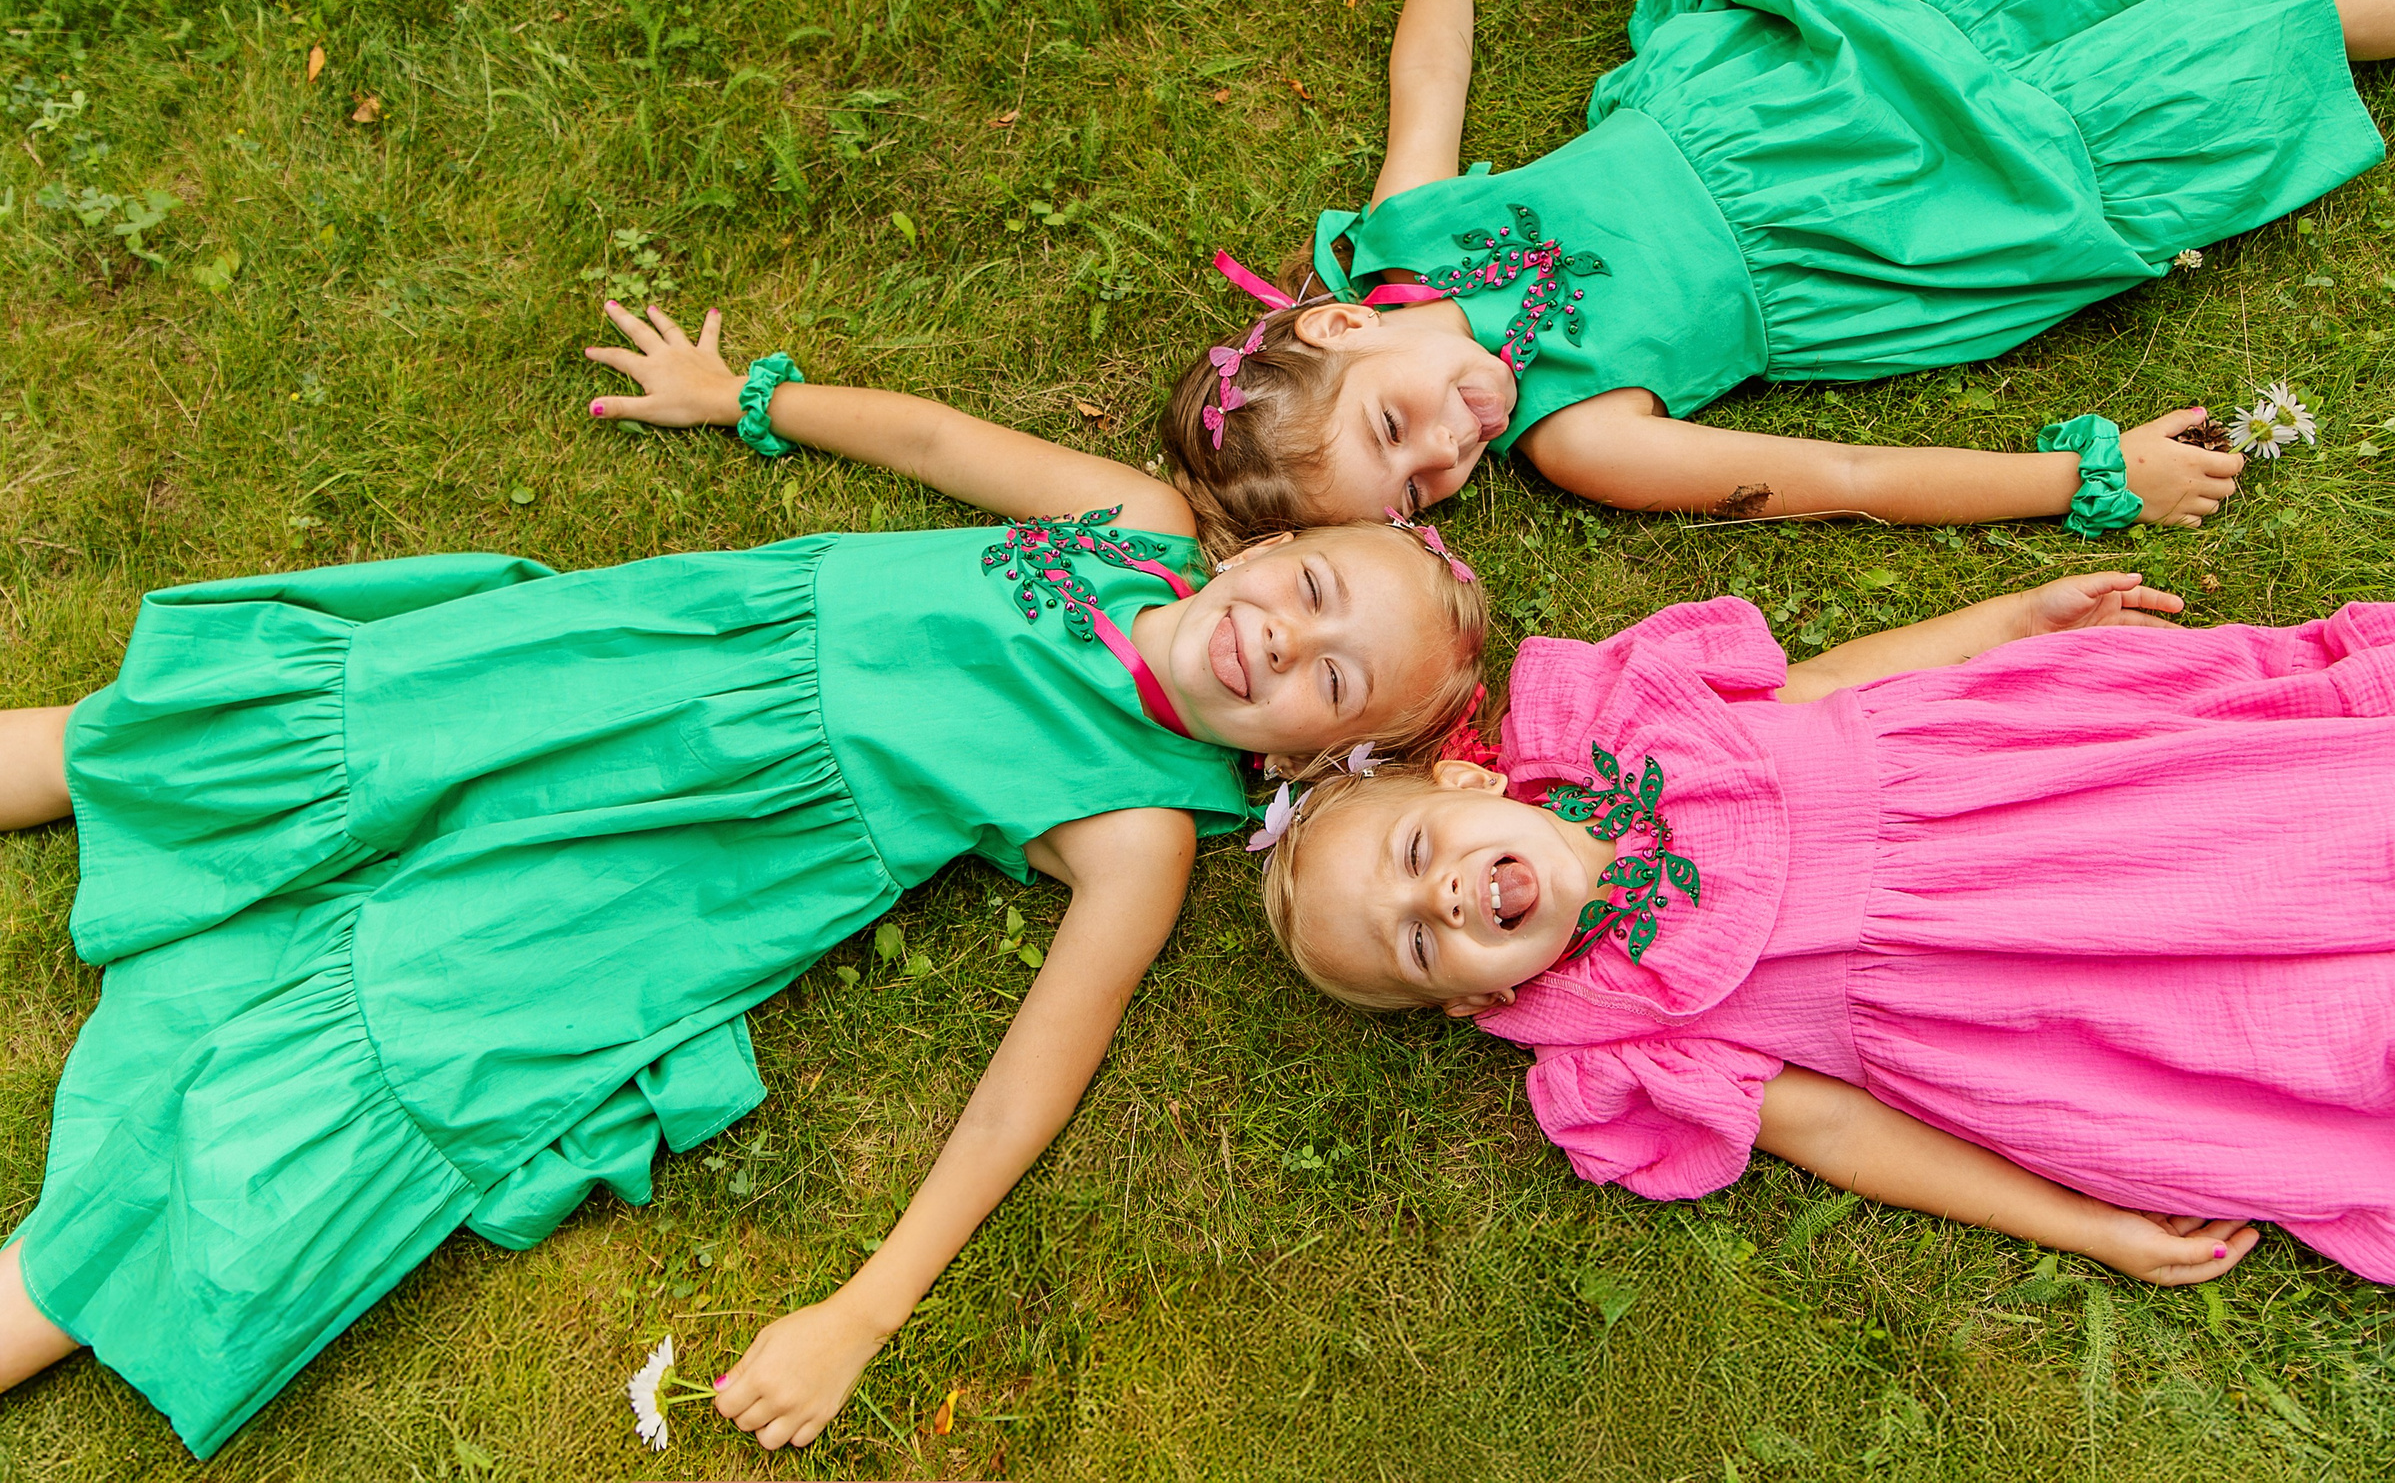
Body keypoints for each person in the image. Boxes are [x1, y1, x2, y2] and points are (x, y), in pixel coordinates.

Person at [0, 303, 1487, 1458]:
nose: (1286, 642)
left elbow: (1028, 1082)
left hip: (678, 867)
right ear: (1272, 548)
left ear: (1318, 759)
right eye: (1311, 588)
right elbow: (952, 451)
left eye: (1332, 678)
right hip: (650, 657)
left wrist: (866, 1305)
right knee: (359, 720)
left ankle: (65, 1282)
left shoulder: (1142, 829)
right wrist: (756, 400)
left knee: (413, 1024)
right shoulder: (1144, 532)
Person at [1161, 0, 2395, 541]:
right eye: (1419, 497)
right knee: (2279, 11)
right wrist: (2082, 477)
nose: (1452, 450)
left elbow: (1431, 77)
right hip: (1903, 215)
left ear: (1345, 323)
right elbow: (1841, 471)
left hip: (1811, 76)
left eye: (1394, 433)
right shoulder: (1581, 435)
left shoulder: (1412, 234)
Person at [1259, 575, 2395, 1306]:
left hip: (2043, 803)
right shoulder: (1623, 1031)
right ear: (1463, 1005)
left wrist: (2008, 621)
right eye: (1420, 947)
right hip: (2019, 1009)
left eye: (1416, 854)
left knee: (2314, 829)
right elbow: (1837, 1131)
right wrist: (2078, 1221)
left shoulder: (1631, 724)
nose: (1438, 902)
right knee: (2314, 1038)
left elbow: (1830, 684)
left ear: (1472, 787)